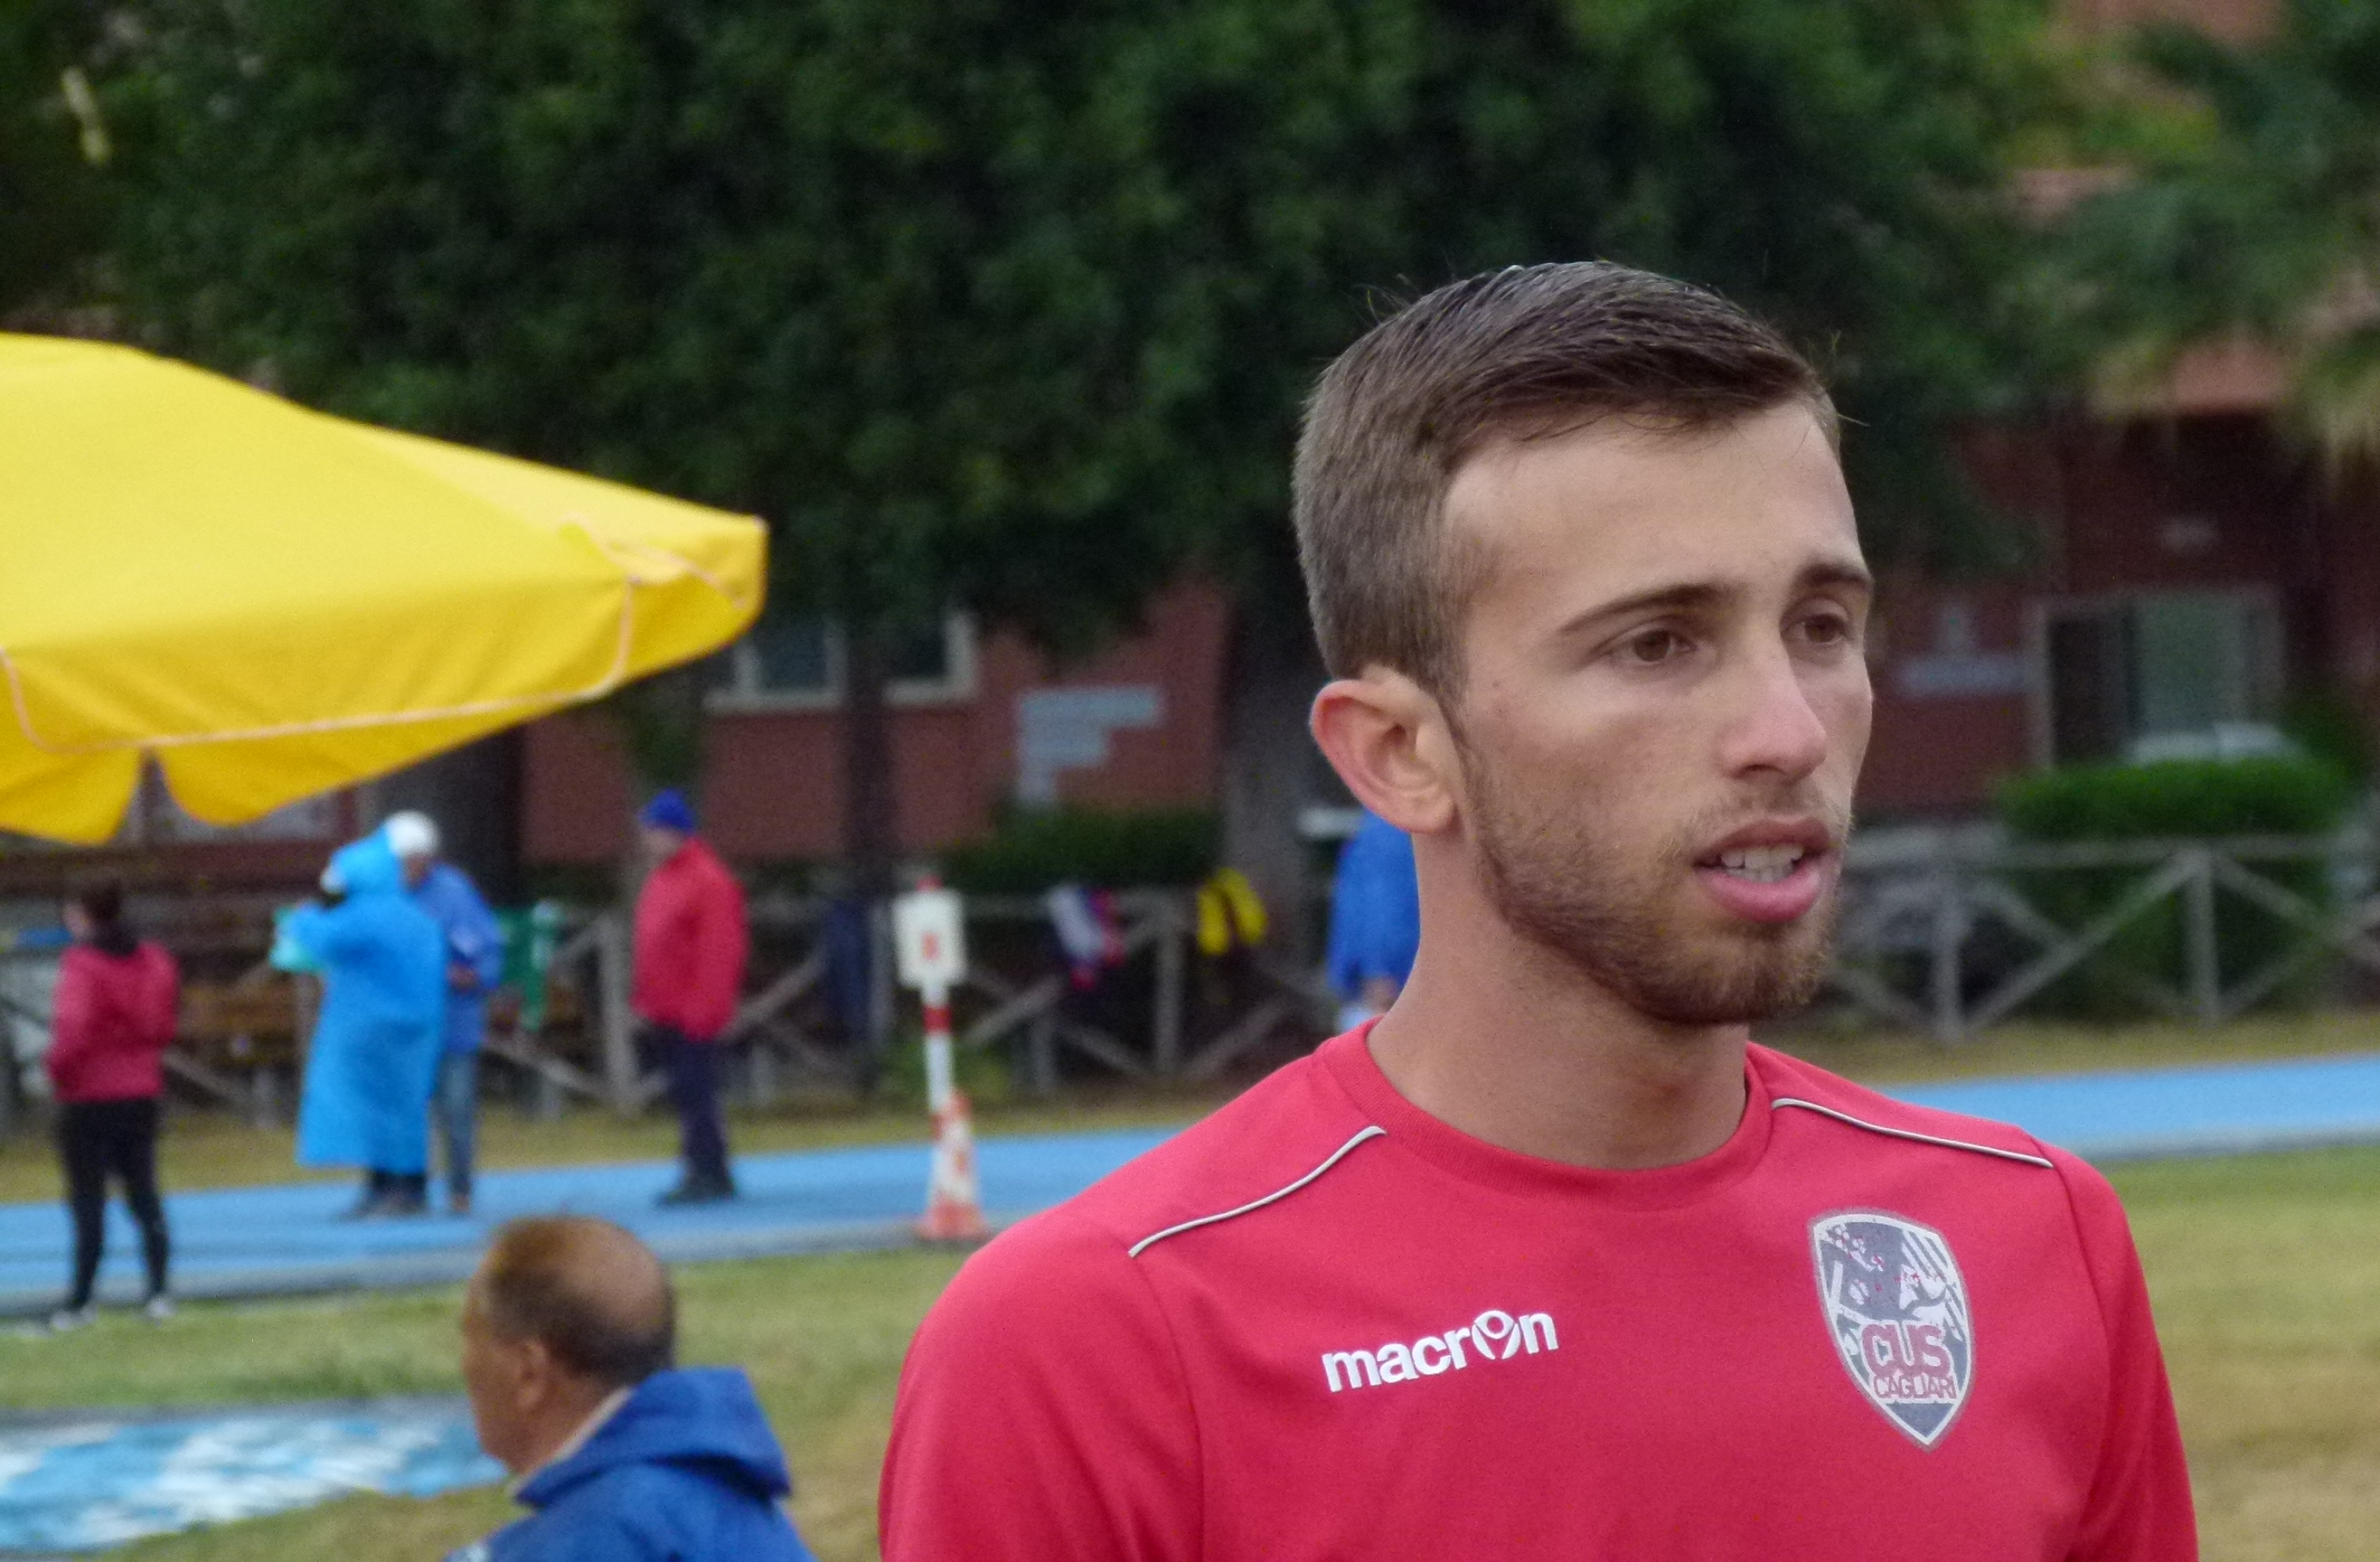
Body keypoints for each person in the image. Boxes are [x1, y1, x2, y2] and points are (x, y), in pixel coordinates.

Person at [881, 265, 2197, 1559]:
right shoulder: (1101, 1346)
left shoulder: (2031, 1238)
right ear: (1401, 753)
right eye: (1658, 643)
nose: (1789, 730)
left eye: (1820, 624)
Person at [447, 1215, 814, 1562]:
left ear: (529, 1371)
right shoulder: (719, 1492)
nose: (464, 1367)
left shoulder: (598, 1537)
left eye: (469, 1340)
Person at [287, 829, 447, 1219]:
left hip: (370, 1026)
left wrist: (302, 917)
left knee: (372, 1109)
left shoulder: (364, 914)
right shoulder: (414, 915)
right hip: (416, 1027)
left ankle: (384, 1187)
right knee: (406, 1106)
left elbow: (322, 939)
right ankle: (409, 1188)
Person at [42, 877, 177, 1330]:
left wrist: (57, 1071)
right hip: (141, 1088)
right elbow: (163, 1023)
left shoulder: (82, 964)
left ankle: (81, 1301)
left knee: (87, 1201)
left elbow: (73, 1028)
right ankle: (158, 1292)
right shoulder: (153, 959)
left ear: (81, 914)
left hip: (89, 1094)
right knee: (144, 1193)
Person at [630, 790, 748, 1205]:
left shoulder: (708, 880)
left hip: (692, 1011)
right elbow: (653, 945)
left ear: (673, 832)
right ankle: (702, 1165)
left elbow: (720, 952)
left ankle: (708, 1170)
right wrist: (645, 1002)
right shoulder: (661, 878)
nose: (646, 839)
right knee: (684, 1093)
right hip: (665, 1008)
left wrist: (705, 1010)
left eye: (653, 831)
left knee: (697, 1091)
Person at [387, 811, 505, 1217]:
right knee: (404, 1113)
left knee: (456, 1110)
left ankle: (460, 1189)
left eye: (411, 858)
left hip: (453, 1023)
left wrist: (476, 976)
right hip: (404, 1026)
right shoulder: (386, 897)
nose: (405, 867)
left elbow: (487, 948)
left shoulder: (454, 893)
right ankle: (409, 1190)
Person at [1322, 806, 1419, 1030]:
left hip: (1381, 982)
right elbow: (1383, 902)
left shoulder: (1380, 828)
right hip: (1386, 986)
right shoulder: (1389, 829)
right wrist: (1380, 969)